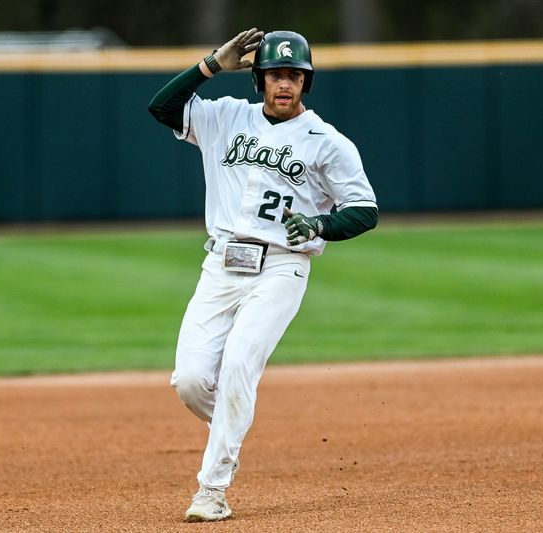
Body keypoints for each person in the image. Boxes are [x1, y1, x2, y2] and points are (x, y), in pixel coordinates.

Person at [148, 28, 378, 522]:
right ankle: (232, 424)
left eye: (295, 75)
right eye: (275, 74)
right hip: (221, 264)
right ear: (258, 79)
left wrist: (320, 224)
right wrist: (211, 65)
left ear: (307, 82)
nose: (285, 83)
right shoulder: (226, 116)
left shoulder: (328, 142)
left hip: (281, 266)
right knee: (190, 381)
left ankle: (212, 491)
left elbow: (365, 210)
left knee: (237, 367)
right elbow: (162, 107)